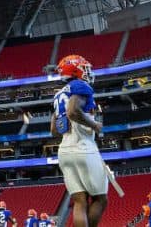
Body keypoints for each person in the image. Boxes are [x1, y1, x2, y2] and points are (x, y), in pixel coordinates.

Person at [51, 54, 106, 227]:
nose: (88, 71)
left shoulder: (58, 95)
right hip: (83, 148)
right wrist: (94, 124)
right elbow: (73, 111)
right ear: (76, 70)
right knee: (100, 199)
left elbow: (54, 130)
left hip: (64, 150)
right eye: (84, 68)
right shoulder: (80, 85)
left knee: (80, 201)